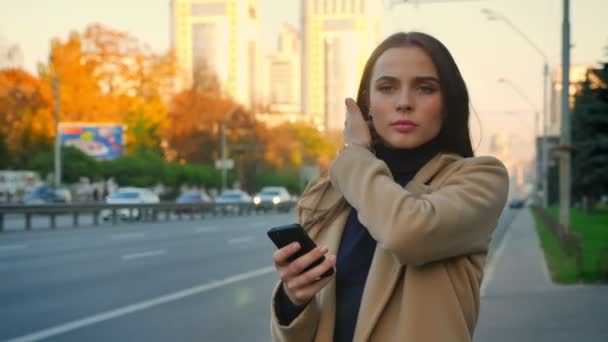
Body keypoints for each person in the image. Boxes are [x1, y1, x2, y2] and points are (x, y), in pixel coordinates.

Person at [269, 31, 509, 342]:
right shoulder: (325, 194)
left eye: (425, 88)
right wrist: (293, 300)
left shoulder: (480, 178)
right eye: (387, 88)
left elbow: (406, 232)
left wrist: (355, 155)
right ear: (367, 102)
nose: (404, 103)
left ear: (447, 103)